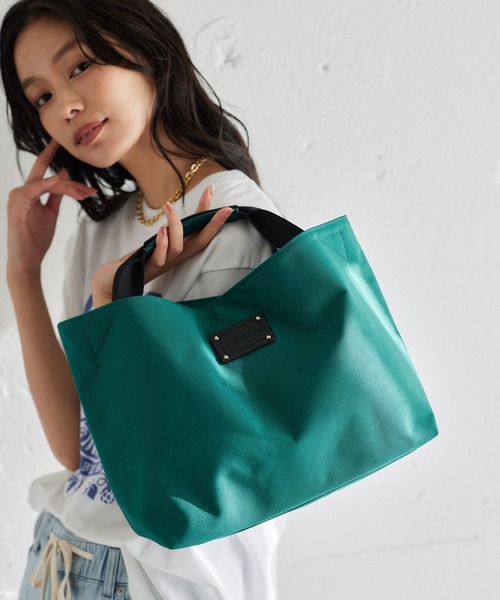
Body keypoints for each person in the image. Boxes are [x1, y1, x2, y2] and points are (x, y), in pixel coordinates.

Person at [1, 0, 285, 597]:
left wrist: (117, 308)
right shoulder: (99, 232)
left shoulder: (231, 223)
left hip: (157, 573)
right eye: (42, 96)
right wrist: (23, 272)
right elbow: (77, 448)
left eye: (79, 66)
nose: (64, 106)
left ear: (147, 50)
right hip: (60, 556)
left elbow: (198, 470)